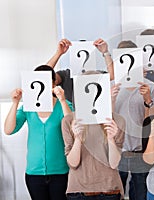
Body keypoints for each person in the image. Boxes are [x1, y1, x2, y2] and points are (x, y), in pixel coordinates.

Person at [4, 65, 73, 200]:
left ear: (54, 83)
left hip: (60, 172)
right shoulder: (28, 107)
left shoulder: (63, 105)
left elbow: (73, 129)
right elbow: (8, 130)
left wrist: (63, 100)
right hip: (34, 173)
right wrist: (15, 103)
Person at [61, 70, 126, 200]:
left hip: (109, 190)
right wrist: (78, 139)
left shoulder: (117, 121)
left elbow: (114, 164)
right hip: (78, 191)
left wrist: (111, 139)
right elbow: (73, 163)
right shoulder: (69, 121)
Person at [113, 40, 154, 200]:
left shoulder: (151, 87)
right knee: (115, 193)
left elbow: (152, 121)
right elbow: (105, 120)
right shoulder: (111, 86)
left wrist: (147, 100)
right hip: (118, 150)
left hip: (141, 149)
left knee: (140, 194)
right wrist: (111, 99)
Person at [46, 38, 114, 103]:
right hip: (71, 113)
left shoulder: (94, 74)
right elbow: (45, 75)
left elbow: (112, 75)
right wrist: (59, 53)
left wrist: (105, 52)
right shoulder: (66, 75)